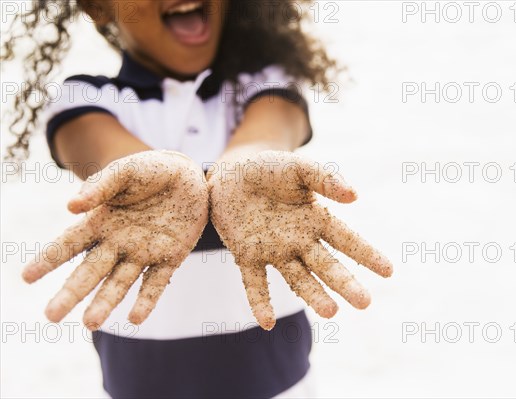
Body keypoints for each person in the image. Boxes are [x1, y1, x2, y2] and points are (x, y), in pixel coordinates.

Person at [2, 1, 393, 397]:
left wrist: (243, 168)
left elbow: (266, 134)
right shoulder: (84, 98)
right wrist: (145, 176)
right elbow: (105, 154)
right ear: (97, 6)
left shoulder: (267, 80)